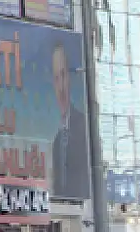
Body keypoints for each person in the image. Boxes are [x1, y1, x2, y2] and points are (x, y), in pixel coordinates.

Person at [51, 44, 91, 199]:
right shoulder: (57, 142)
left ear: (70, 77)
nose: (61, 86)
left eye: (63, 75)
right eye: (56, 78)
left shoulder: (84, 127)